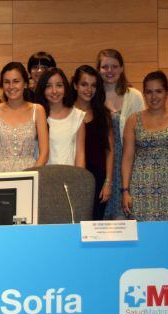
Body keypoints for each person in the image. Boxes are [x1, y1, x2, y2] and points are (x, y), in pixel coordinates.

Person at [121, 71, 168, 221]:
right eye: (149, 92)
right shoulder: (133, 120)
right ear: (144, 94)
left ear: (167, 93)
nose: (154, 97)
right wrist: (125, 191)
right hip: (141, 188)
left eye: (159, 91)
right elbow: (127, 158)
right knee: (143, 238)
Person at [97, 49, 144, 220]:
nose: (110, 71)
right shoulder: (94, 95)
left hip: (128, 163)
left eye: (114, 66)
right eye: (105, 66)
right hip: (103, 164)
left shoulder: (134, 96)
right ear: (99, 69)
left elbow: (142, 132)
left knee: (125, 219)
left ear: (122, 68)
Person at [0, 62, 49, 173]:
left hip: (30, 173)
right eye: (6, 82)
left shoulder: (38, 110)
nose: (11, 86)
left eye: (16, 81)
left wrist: (30, 177)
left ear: (25, 84)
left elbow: (44, 153)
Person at [72, 65, 114, 220]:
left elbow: (109, 151)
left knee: (94, 226)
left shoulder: (103, 114)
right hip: (73, 176)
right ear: (75, 85)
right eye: (84, 84)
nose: (89, 89)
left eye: (93, 85)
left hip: (98, 180)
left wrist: (108, 182)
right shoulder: (66, 112)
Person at [34, 68, 85, 167]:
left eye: (59, 85)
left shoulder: (77, 116)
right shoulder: (36, 115)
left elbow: (80, 156)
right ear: (42, 90)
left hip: (69, 178)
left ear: (65, 88)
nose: (54, 91)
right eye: (48, 86)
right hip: (43, 177)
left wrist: (80, 180)